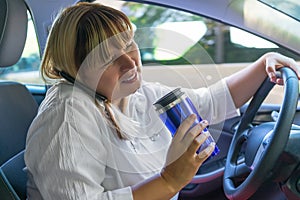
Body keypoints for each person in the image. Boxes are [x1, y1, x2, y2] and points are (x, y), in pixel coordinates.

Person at [24, 2, 300, 200]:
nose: (129, 61)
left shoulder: (137, 95)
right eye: (108, 58)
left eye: (129, 44)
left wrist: (265, 61)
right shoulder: (66, 116)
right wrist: (169, 181)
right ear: (77, 68)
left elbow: (208, 102)